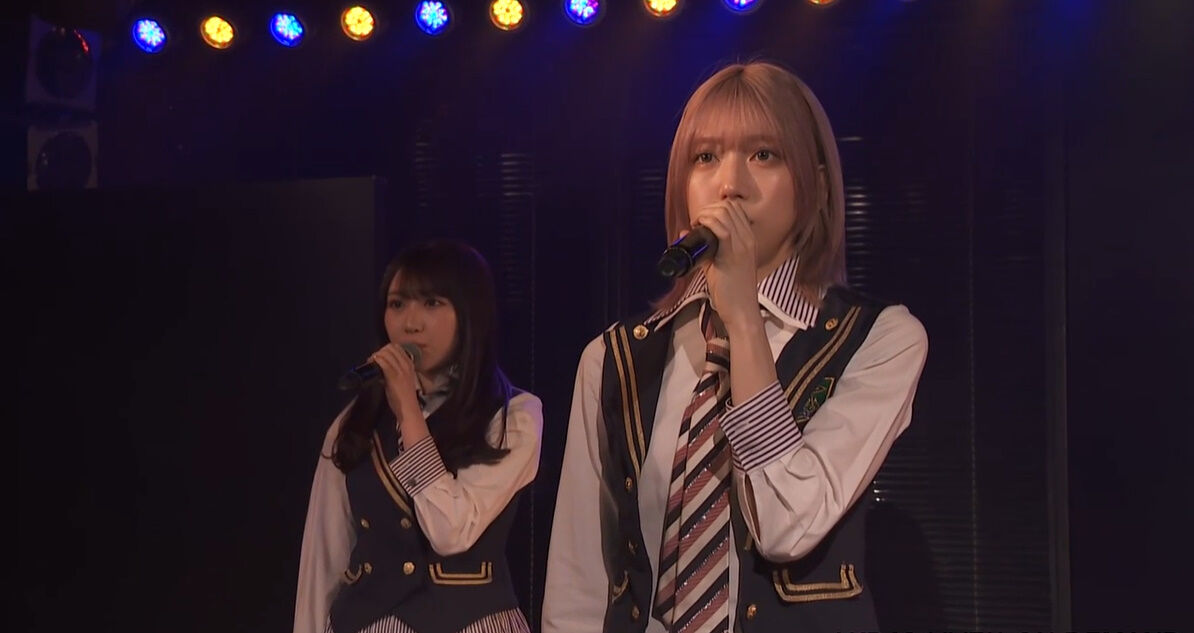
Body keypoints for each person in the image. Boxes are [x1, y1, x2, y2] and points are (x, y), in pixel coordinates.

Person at [542, 61, 928, 633]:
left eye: (764, 154)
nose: (730, 184)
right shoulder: (613, 359)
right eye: (705, 157)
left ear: (817, 185)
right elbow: (579, 581)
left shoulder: (880, 339)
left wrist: (743, 320)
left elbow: (786, 526)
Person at [295, 240, 542, 633]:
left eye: (431, 303)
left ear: (469, 314)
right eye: (397, 304)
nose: (410, 323)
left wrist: (408, 414)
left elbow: (451, 531)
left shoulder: (515, 415)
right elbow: (323, 559)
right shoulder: (352, 424)